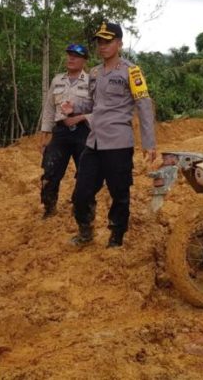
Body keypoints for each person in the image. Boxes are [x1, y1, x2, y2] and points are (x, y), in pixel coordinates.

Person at [63, 21, 157, 248]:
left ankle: (116, 237)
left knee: (119, 193)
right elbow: (93, 104)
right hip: (94, 142)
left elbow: (143, 105)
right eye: (99, 42)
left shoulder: (131, 71)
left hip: (118, 143)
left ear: (119, 44)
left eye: (108, 41)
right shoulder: (94, 73)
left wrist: (149, 143)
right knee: (81, 192)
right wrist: (74, 107)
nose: (102, 46)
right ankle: (86, 231)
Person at [39, 43, 92, 218]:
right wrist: (45, 134)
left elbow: (99, 108)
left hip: (83, 132)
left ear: (84, 60)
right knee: (50, 171)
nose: (71, 58)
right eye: (69, 55)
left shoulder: (91, 81)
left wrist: (82, 117)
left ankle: (82, 209)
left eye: (76, 56)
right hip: (60, 132)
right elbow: (48, 108)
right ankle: (49, 208)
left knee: (85, 174)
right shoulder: (57, 80)